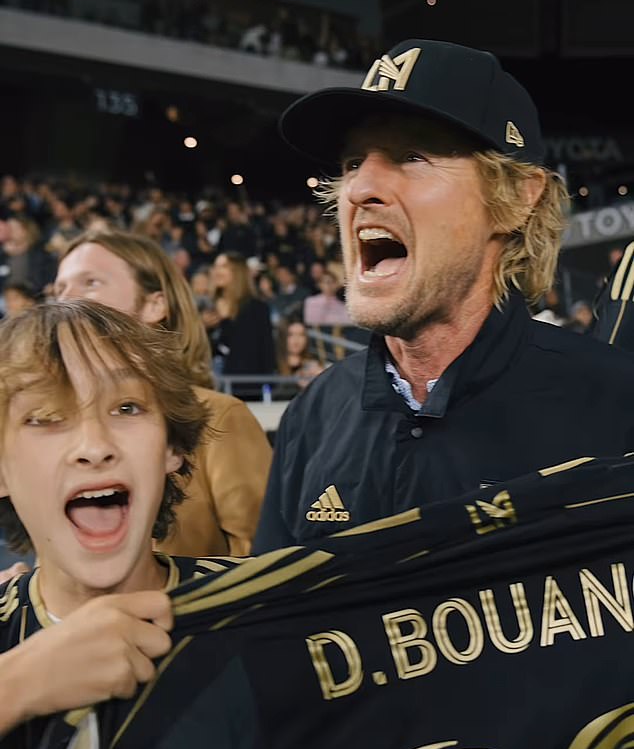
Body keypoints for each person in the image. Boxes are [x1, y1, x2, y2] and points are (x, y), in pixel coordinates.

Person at [255, 38, 634, 549]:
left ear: (519, 198)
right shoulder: (314, 417)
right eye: (350, 164)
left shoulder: (614, 405)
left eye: (412, 156)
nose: (358, 188)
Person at [0, 299, 209, 749]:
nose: (93, 447)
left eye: (126, 408)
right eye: (46, 418)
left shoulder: (266, 620)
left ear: (172, 447)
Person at [54, 230, 272, 556]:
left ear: (155, 305)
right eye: (59, 288)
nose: (66, 299)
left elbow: (266, 566)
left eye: (91, 282)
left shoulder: (219, 418)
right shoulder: (51, 426)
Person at [208, 251, 276, 397]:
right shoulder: (207, 306)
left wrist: (269, 386)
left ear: (237, 272)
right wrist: (205, 328)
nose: (217, 271)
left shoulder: (256, 309)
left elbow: (266, 350)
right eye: (215, 266)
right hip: (209, 386)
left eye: (224, 266)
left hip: (245, 388)